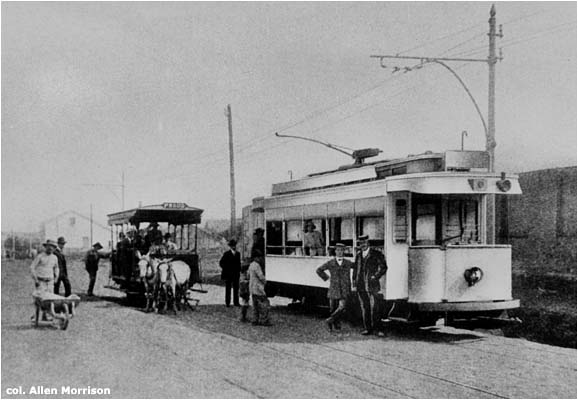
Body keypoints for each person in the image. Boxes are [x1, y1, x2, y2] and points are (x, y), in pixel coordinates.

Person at [353, 235, 388, 335]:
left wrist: (375, 276)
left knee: (375, 307)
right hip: (361, 285)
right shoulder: (359, 255)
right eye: (360, 243)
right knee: (365, 307)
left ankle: (379, 329)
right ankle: (368, 329)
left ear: (368, 243)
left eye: (364, 243)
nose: (362, 245)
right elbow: (356, 269)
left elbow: (383, 267)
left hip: (372, 285)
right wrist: (354, 280)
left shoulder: (376, 254)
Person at [316, 243, 354, 331]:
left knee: (342, 307)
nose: (340, 252)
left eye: (341, 250)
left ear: (344, 251)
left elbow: (357, 267)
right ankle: (334, 324)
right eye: (338, 250)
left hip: (345, 288)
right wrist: (327, 278)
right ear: (335, 251)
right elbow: (319, 270)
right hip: (334, 288)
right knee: (333, 308)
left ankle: (330, 320)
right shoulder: (330, 263)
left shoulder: (348, 263)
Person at [30, 239, 59, 321]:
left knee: (49, 299)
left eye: (52, 247)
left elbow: (56, 267)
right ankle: (35, 316)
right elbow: (32, 267)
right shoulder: (40, 256)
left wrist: (56, 276)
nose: (50, 248)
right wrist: (35, 279)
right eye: (49, 246)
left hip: (50, 281)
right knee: (39, 299)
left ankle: (46, 315)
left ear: (54, 248)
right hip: (41, 281)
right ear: (45, 247)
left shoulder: (54, 257)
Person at [248, 250, 271, 326]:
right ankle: (264, 320)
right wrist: (265, 282)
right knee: (264, 304)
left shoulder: (251, 265)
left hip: (252, 287)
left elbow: (248, 275)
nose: (260, 259)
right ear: (256, 257)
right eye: (259, 257)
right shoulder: (257, 266)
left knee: (255, 305)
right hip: (258, 288)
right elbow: (260, 276)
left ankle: (255, 320)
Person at [219, 239, 241, 307]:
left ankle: (236, 302)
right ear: (230, 246)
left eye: (234, 245)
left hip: (236, 274)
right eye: (232, 245)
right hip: (228, 274)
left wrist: (239, 270)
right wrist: (226, 269)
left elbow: (239, 264)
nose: (234, 247)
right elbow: (221, 263)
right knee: (228, 289)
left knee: (236, 288)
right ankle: (227, 302)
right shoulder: (226, 254)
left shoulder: (238, 254)